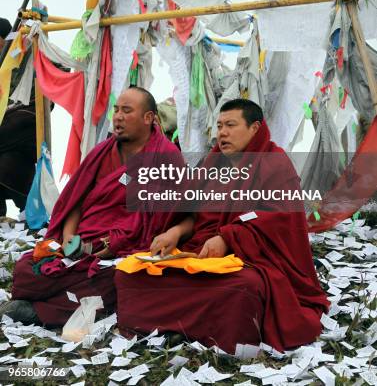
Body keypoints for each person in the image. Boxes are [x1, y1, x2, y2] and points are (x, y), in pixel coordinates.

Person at [115, 99, 329, 353]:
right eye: (218, 126)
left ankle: (212, 333)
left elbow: (276, 218)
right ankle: (171, 328)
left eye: (230, 125)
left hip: (250, 259)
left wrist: (228, 237)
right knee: (129, 274)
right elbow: (193, 214)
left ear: (255, 128)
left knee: (244, 288)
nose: (222, 133)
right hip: (197, 253)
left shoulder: (275, 163)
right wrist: (175, 231)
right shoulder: (213, 163)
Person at [1, 87, 192, 326]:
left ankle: (37, 312)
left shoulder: (166, 157)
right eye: (117, 109)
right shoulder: (102, 151)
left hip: (124, 252)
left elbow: (187, 215)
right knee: (26, 268)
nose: (118, 116)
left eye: (127, 111)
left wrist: (169, 233)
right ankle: (45, 303)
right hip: (78, 245)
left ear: (148, 118)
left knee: (112, 280)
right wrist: (70, 237)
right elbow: (76, 200)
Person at [0, 18, 37, 216]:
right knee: (8, 161)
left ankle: (31, 210)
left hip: (24, 119)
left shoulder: (25, 53)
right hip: (8, 130)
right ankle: (27, 211)